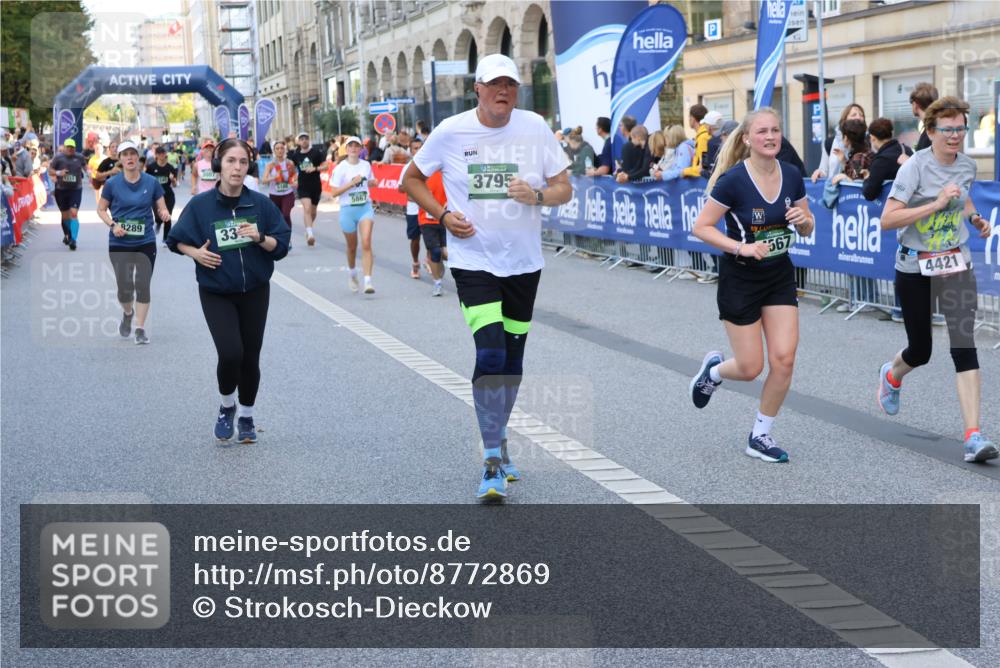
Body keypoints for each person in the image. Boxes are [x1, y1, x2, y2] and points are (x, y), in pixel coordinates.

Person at [403, 53, 572, 500]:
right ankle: (492, 456)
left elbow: (564, 187)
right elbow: (410, 178)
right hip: (473, 259)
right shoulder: (452, 131)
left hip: (524, 264)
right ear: (476, 88)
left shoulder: (534, 127)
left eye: (511, 85)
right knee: (492, 354)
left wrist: (537, 194)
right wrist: (442, 214)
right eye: (495, 84)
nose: (504, 92)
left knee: (512, 363)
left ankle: (498, 436)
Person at [689, 107, 815, 463]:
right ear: (747, 139)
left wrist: (804, 220)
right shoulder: (733, 180)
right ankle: (712, 373)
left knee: (784, 359)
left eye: (775, 130)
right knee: (749, 367)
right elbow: (702, 227)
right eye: (762, 131)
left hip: (778, 274)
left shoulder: (791, 175)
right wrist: (741, 247)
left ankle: (760, 435)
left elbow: (808, 227)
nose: (771, 136)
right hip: (740, 278)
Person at [876, 97, 996, 464]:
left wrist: (974, 220)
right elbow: (888, 219)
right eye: (948, 130)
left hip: (955, 263)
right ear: (931, 132)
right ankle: (892, 375)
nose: (956, 136)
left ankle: (974, 436)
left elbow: (965, 200)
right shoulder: (914, 167)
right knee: (921, 350)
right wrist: (935, 204)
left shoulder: (968, 165)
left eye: (961, 128)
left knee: (964, 346)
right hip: (915, 266)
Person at [167, 138, 291, 443]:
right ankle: (226, 406)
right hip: (216, 290)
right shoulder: (201, 205)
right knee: (230, 352)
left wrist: (259, 237)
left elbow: (281, 246)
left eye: (243, 162)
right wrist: (195, 253)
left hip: (255, 290)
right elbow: (175, 240)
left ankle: (247, 416)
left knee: (250, 357)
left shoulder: (259, 204)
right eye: (231, 161)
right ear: (218, 165)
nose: (237, 168)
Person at [96, 141, 171, 345]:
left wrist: (163, 213)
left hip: (145, 240)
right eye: (125, 154)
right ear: (120, 159)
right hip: (119, 241)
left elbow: (161, 205)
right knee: (125, 288)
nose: (129, 158)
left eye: (133, 154)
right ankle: (127, 313)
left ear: (138, 158)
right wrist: (113, 225)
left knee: (143, 285)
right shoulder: (112, 184)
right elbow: (101, 209)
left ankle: (140, 328)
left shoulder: (151, 182)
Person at [329, 136, 377, 294]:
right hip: (347, 209)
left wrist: (371, 182)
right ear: (346, 148)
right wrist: (351, 183)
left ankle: (368, 281)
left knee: (367, 242)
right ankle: (352, 273)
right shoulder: (341, 168)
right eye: (351, 146)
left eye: (357, 146)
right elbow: (334, 192)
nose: (354, 148)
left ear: (361, 148)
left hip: (365, 207)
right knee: (352, 246)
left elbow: (369, 180)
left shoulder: (366, 165)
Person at [48, 138, 89, 250]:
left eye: (72, 147)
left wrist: (89, 174)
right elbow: (50, 170)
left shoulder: (79, 157)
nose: (70, 149)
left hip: (76, 189)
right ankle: (68, 235)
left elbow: (86, 167)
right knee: (65, 216)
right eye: (68, 147)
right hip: (61, 190)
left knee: (74, 213)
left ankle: (73, 240)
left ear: (75, 148)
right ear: (65, 147)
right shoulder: (58, 158)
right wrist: (59, 173)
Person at [289, 132, 327, 246]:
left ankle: (308, 228)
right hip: (303, 185)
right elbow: (291, 168)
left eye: (306, 138)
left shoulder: (316, 152)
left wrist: (315, 168)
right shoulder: (295, 155)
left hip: (315, 185)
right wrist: (293, 178)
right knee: (307, 208)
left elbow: (326, 166)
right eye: (301, 139)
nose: (304, 140)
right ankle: (310, 235)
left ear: (308, 140)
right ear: (298, 142)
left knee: (313, 212)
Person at [811, 103, 866, 182]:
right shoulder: (829, 143)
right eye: (854, 115)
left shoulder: (867, 144)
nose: (858, 117)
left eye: (861, 115)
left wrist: (844, 161)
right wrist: (819, 173)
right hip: (832, 191)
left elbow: (859, 175)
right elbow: (824, 170)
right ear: (845, 120)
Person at [862, 118, 912, 202]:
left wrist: (867, 178)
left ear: (872, 138)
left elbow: (869, 194)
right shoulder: (907, 150)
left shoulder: (881, 161)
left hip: (893, 208)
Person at [402, 137, 426, 279]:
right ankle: (415, 262)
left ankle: (430, 259)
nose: (418, 151)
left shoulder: (431, 165)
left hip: (430, 210)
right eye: (415, 148)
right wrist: (413, 192)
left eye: (420, 147)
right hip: (413, 210)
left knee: (433, 241)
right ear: (410, 151)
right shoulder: (408, 167)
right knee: (415, 239)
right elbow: (401, 187)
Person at [145, 146, 178, 246]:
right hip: (155, 196)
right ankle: (158, 222)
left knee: (167, 216)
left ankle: (166, 239)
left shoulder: (170, 168)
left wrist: (172, 180)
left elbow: (175, 185)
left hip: (168, 195)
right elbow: (146, 181)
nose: (162, 155)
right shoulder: (151, 167)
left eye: (163, 153)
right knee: (159, 215)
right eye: (159, 154)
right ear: (156, 155)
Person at [262, 140, 297, 232]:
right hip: (274, 195)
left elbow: (294, 174)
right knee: (277, 216)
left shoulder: (290, 163)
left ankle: (287, 235)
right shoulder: (270, 165)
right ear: (274, 151)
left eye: (282, 148)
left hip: (287, 193)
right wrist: (274, 177)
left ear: (285, 150)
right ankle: (279, 234)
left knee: (285, 214)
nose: (280, 150)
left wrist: (295, 181)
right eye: (277, 148)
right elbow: (264, 180)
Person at [683, 107, 719, 178]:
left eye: (689, 117)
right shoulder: (701, 136)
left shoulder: (703, 137)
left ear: (692, 119)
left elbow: (704, 166)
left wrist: (684, 172)